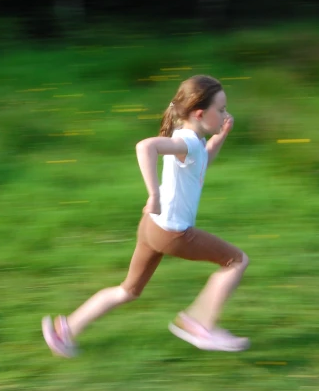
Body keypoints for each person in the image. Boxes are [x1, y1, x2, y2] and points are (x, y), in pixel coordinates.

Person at [42, 75, 250, 358]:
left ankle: (65, 329)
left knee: (128, 290)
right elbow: (145, 146)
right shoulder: (187, 142)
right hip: (174, 233)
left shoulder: (193, 142)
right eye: (222, 109)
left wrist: (221, 136)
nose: (226, 113)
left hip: (152, 227)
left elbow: (202, 163)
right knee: (236, 261)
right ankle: (199, 323)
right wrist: (153, 193)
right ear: (201, 113)